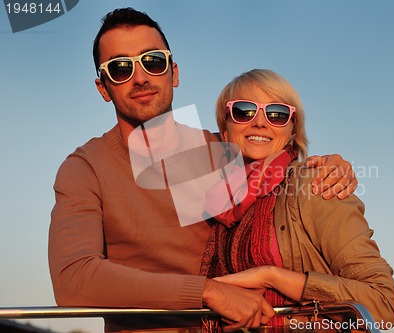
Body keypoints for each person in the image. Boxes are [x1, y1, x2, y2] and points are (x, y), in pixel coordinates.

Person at [48, 7, 359, 333]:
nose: (140, 78)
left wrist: (333, 165)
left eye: (153, 61)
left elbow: (286, 169)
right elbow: (73, 279)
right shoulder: (85, 168)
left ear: (174, 72)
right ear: (103, 88)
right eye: (120, 68)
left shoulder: (225, 151)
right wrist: (207, 293)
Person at [200, 69, 394, 330]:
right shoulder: (213, 200)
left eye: (277, 114)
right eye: (244, 111)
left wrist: (271, 277)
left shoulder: (316, 185)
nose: (260, 122)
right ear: (225, 130)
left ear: (293, 130)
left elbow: (383, 303)